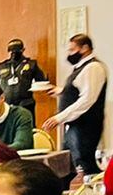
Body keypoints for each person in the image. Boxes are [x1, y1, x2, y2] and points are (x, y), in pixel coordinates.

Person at [44, 33, 107, 177]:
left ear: (85, 48)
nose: (69, 54)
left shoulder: (93, 67)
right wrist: (62, 92)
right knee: (67, 166)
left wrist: (59, 117)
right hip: (75, 125)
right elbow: (79, 90)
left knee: (85, 166)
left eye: (72, 50)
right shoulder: (82, 67)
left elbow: (87, 99)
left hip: (85, 126)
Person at [0, 37, 49, 120]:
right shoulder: (1, 66)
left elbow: (41, 82)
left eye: (17, 51)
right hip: (7, 105)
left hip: (26, 104)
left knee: (27, 127)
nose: (14, 53)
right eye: (11, 51)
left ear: (23, 50)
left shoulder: (31, 65)